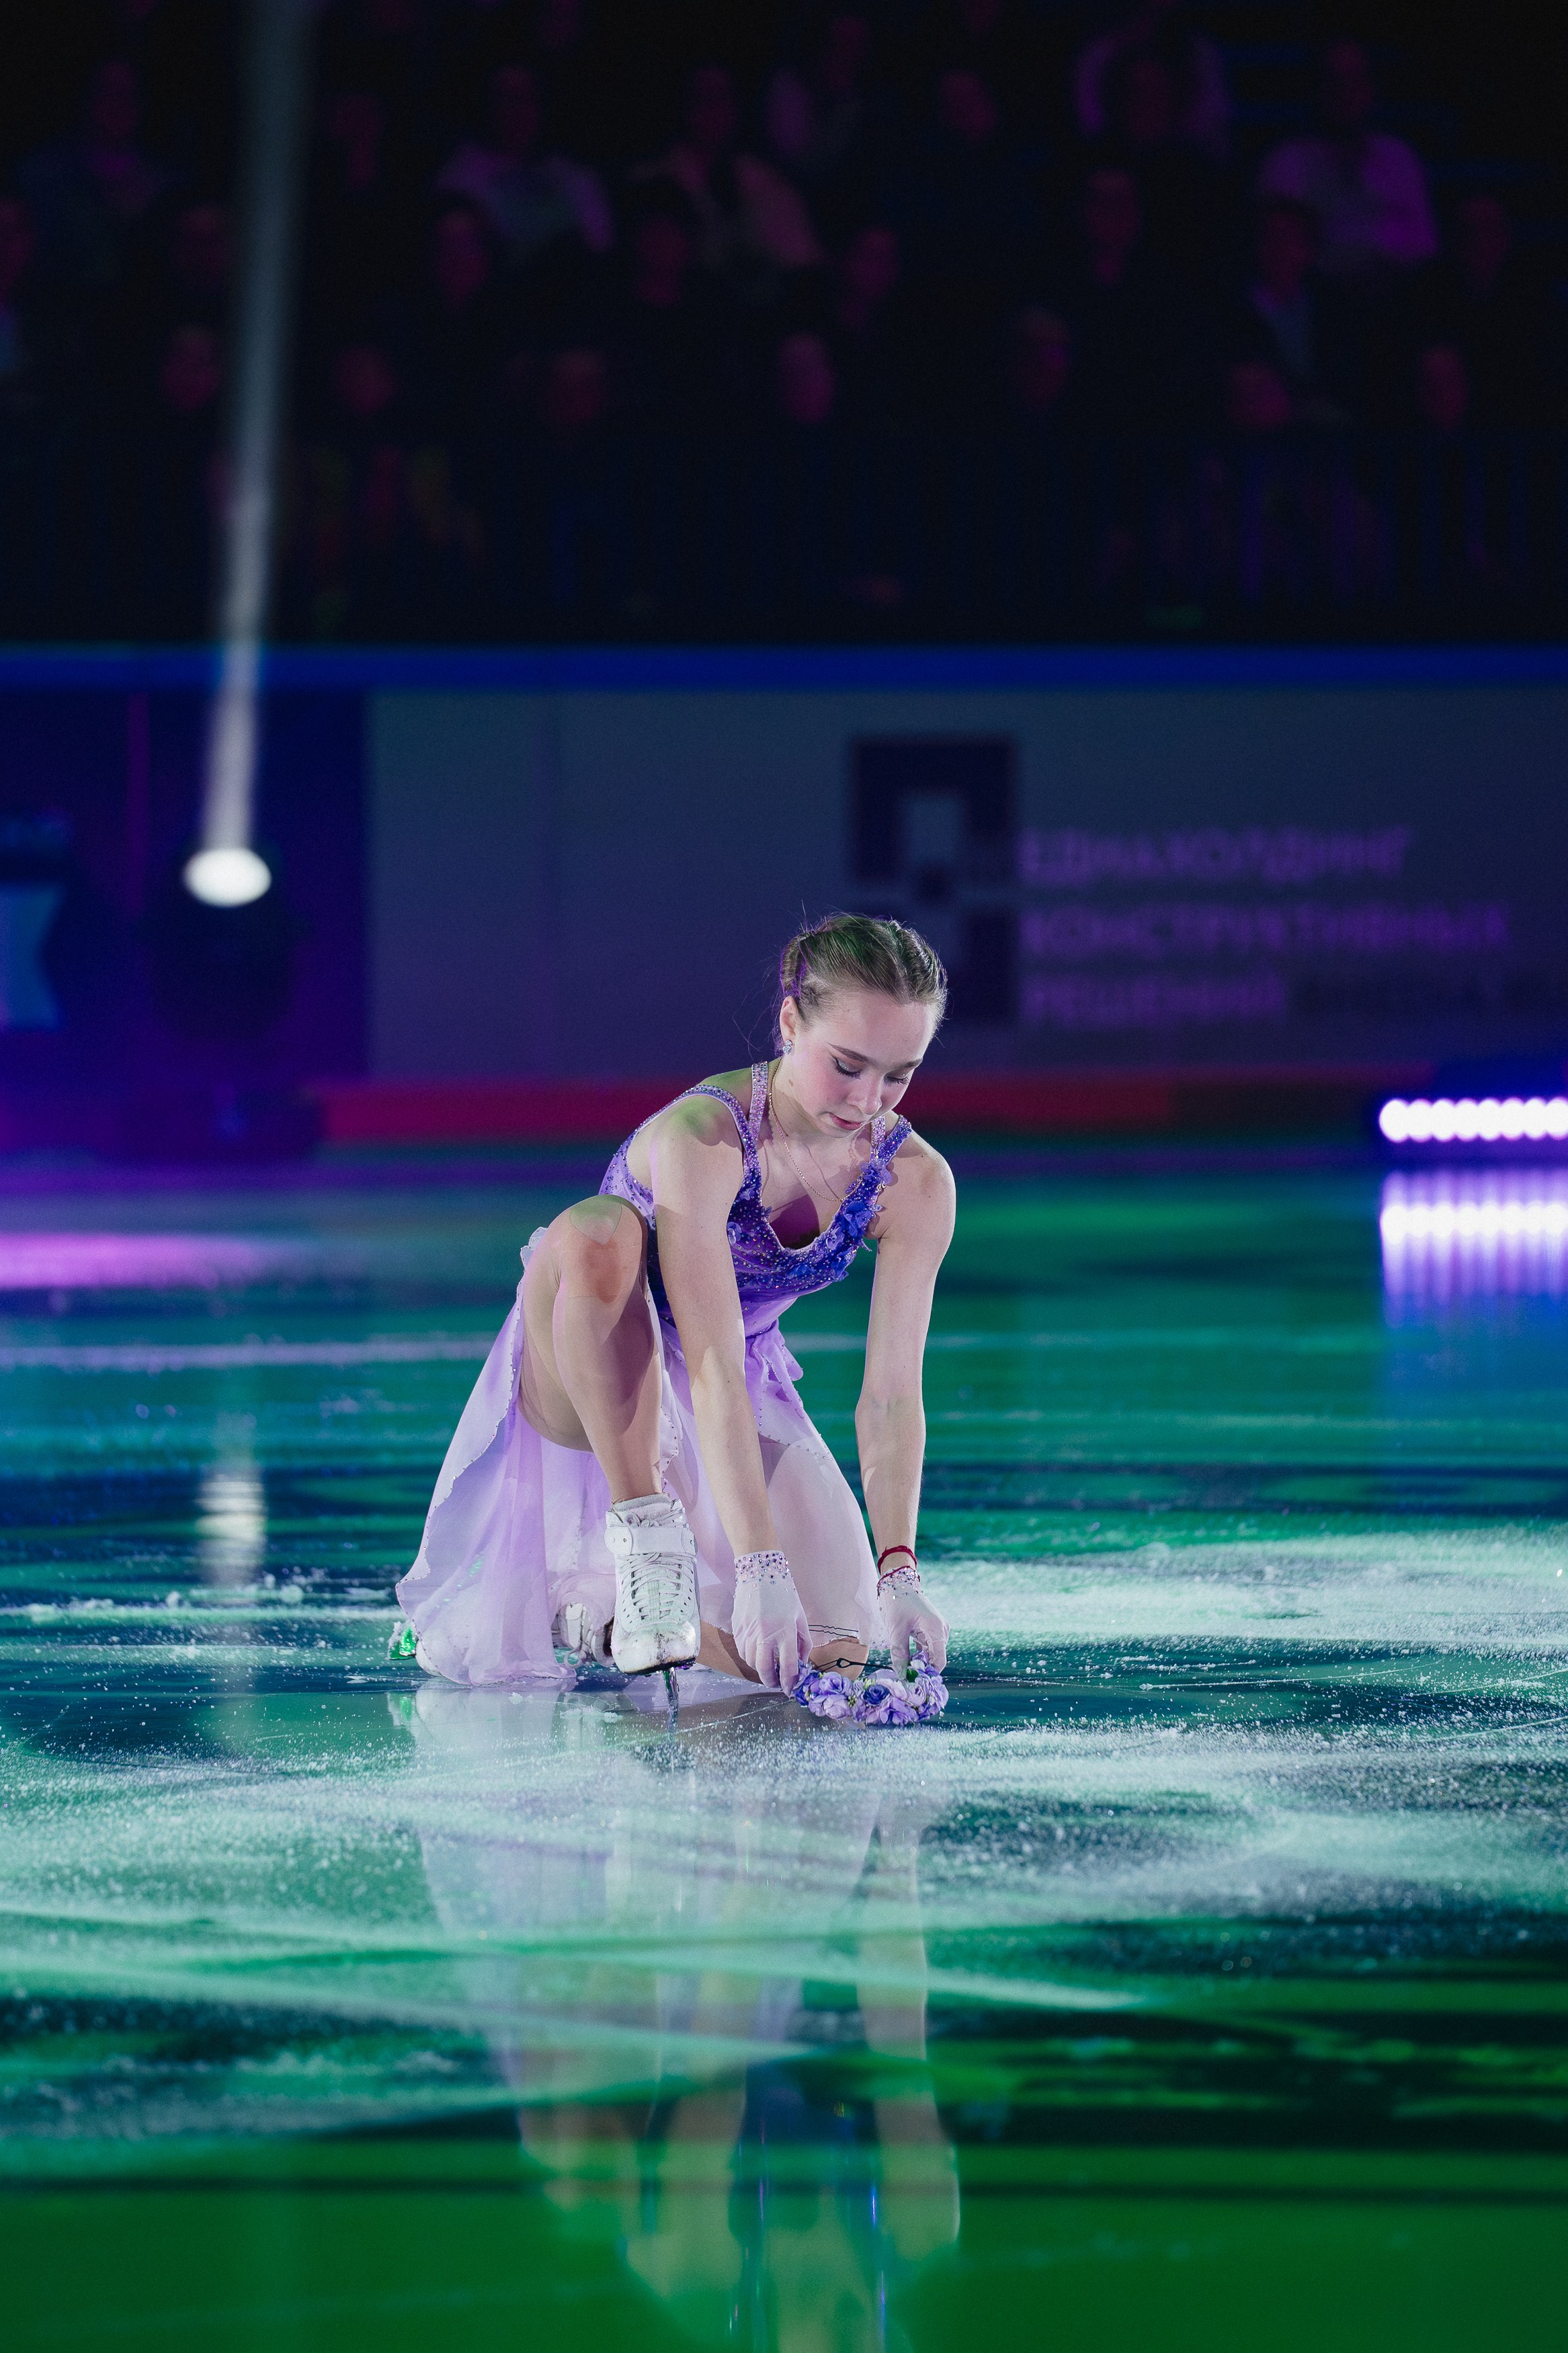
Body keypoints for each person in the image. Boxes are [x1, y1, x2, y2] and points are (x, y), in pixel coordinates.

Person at [398, 914, 954, 1693]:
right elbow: (715, 1358)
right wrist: (758, 1559)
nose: (869, 1099)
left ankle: (594, 1623)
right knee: (596, 1231)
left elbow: (892, 1395)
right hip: (593, 1368)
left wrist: (899, 1570)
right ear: (790, 1022)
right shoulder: (706, 1135)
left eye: (898, 1073)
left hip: (731, 1388)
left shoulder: (917, 1182)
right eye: (847, 1064)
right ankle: (643, 1546)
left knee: (831, 1657)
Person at [1257, 37, 1436, 278]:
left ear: (1372, 89)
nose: (1346, 93)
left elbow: (1425, 249)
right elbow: (1277, 266)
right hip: (1319, 302)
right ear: (1316, 89)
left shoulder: (1400, 159)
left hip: (1398, 298)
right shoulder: (1285, 165)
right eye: (1335, 82)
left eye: (1356, 81)